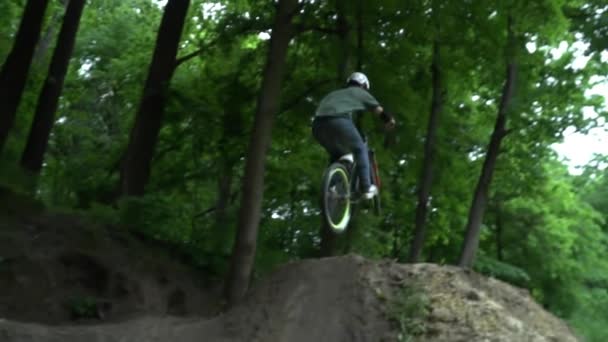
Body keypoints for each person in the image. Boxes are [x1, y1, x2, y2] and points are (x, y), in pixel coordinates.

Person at [312, 72, 395, 199]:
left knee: (339, 155)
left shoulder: (335, 94)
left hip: (318, 127)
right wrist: (389, 120)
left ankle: (330, 188)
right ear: (363, 85)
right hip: (338, 121)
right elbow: (378, 110)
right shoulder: (360, 92)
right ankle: (366, 188)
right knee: (360, 149)